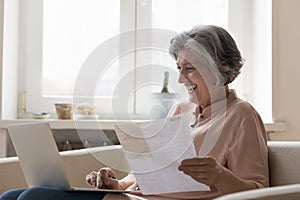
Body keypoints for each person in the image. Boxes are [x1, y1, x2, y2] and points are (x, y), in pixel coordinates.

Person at [0, 25, 269, 200]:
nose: (180, 80)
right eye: (179, 68)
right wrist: (117, 183)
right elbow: (153, 173)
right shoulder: (180, 109)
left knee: (33, 198)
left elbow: (261, 192)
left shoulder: (242, 115)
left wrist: (220, 176)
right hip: (134, 198)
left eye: (190, 69)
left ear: (218, 68)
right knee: (10, 196)